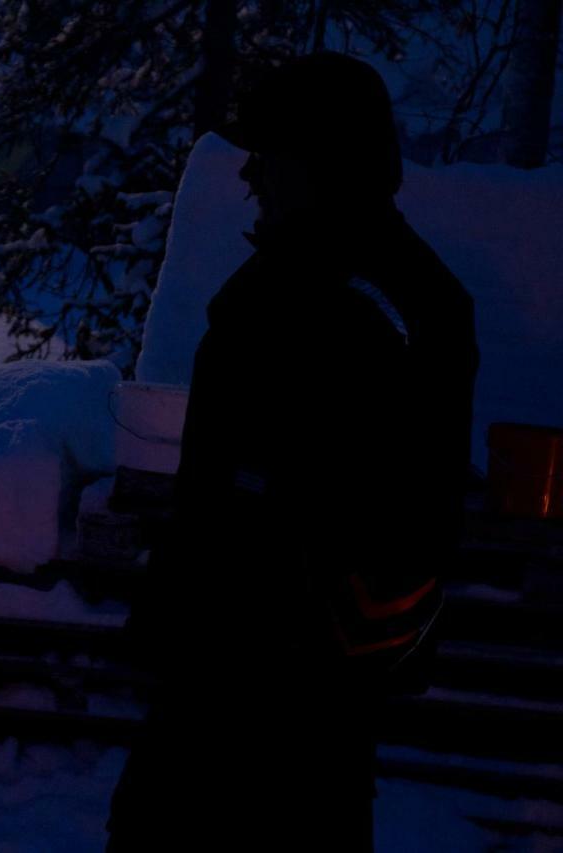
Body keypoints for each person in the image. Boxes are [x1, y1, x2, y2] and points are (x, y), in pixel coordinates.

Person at [106, 52, 479, 851]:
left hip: (274, 721)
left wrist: (241, 651)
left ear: (323, 167)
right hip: (239, 703)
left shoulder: (354, 313)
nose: (250, 177)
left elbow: (332, 522)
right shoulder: (303, 285)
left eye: (269, 157)